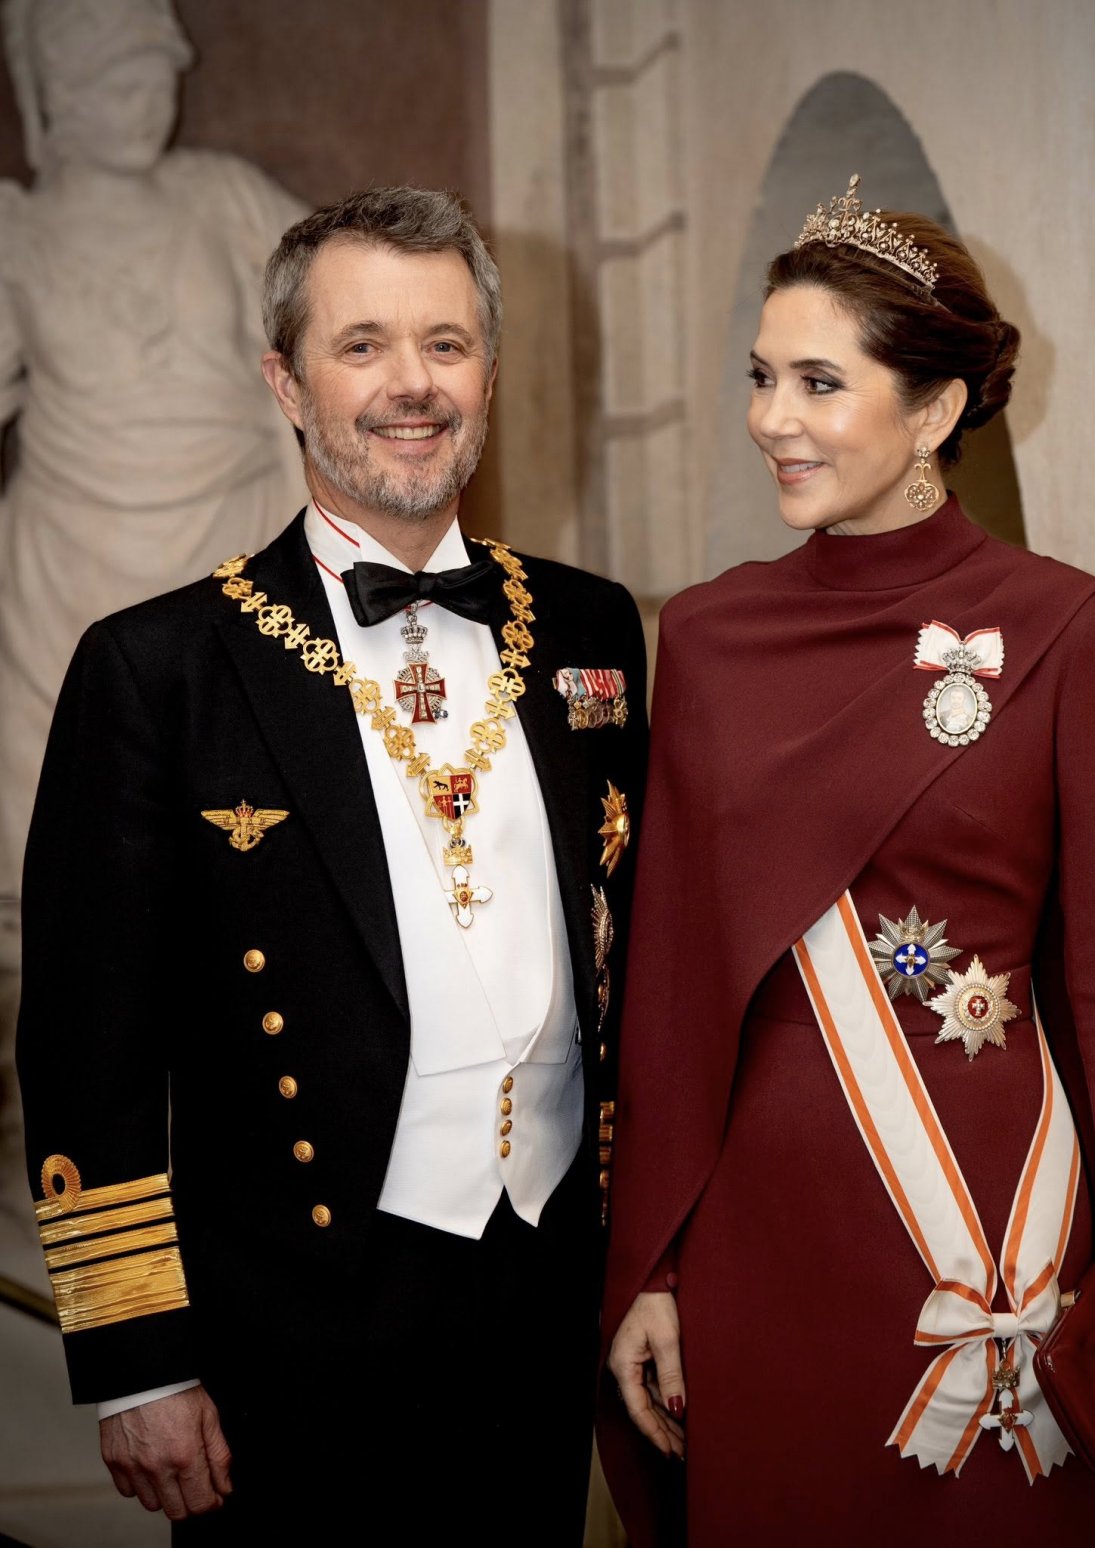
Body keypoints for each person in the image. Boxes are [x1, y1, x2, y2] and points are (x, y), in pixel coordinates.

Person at [17, 185, 648, 1544]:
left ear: (491, 373)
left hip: (544, 1302)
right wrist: (142, 1361)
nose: (409, 385)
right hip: (285, 1335)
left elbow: (637, 961)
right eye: (361, 345)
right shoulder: (155, 669)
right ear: (286, 382)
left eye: (445, 343)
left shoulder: (595, 631)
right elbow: (86, 1050)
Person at [599, 175, 1095, 1545]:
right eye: (761, 377)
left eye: (818, 381)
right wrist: (651, 1265)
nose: (771, 419)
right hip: (761, 1251)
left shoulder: (1068, 634)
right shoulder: (705, 637)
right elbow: (675, 988)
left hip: (990, 1239)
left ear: (933, 413)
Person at [0, 0, 307, 943]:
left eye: (154, 77)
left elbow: (342, 300)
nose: (140, 102)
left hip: (232, 536)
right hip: (71, 559)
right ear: (55, 94)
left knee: (245, 824)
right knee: (64, 849)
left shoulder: (221, 195)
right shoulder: (20, 231)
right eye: (111, 81)